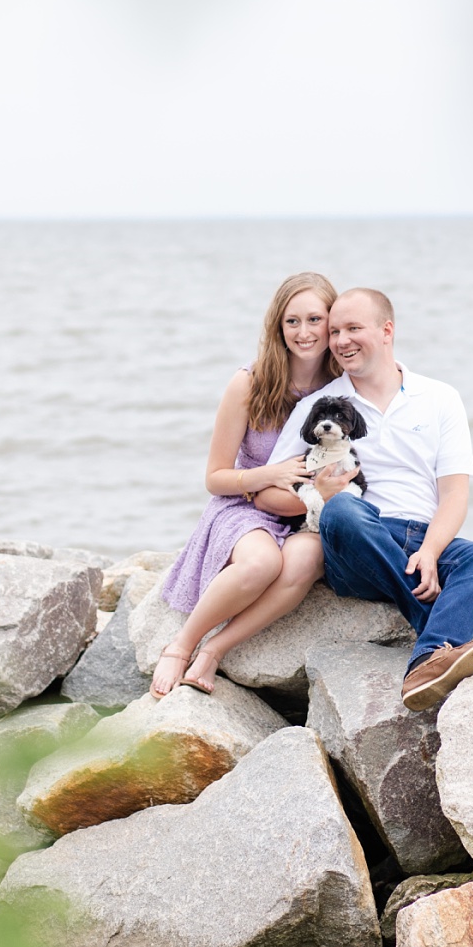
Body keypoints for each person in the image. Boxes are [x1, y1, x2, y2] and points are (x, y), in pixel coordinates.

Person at [255, 287, 473, 712]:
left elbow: (455, 495)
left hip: (419, 539)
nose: (341, 340)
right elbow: (267, 494)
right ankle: (438, 634)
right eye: (335, 331)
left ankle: (425, 661)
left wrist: (430, 551)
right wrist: (320, 497)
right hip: (354, 542)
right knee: (346, 509)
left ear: (387, 330)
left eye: (354, 328)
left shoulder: (440, 397)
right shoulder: (322, 406)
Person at [149, 272, 338, 696]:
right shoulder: (250, 383)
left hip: (307, 513)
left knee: (303, 563)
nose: (304, 332)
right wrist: (266, 476)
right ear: (277, 326)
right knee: (261, 564)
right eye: (292, 321)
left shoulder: (341, 389)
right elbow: (215, 478)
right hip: (245, 504)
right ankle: (180, 647)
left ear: (332, 322)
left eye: (314, 319)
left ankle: (215, 650)